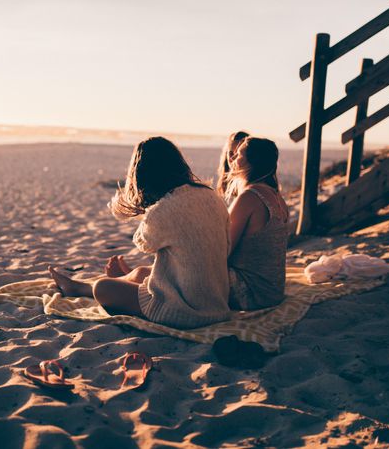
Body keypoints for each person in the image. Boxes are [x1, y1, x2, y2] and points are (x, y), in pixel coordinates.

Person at [49, 136, 232, 329]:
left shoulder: (164, 209)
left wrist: (151, 209)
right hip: (216, 304)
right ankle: (79, 287)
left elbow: (143, 242)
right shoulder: (212, 196)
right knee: (141, 273)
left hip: (186, 312)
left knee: (104, 288)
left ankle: (83, 287)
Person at [224, 136, 289, 310]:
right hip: (273, 291)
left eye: (239, 155)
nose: (232, 159)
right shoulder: (277, 197)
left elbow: (224, 250)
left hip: (250, 293)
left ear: (252, 163)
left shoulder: (249, 197)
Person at [216, 130, 250, 200]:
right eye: (231, 153)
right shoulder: (224, 183)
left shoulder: (252, 187)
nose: (233, 158)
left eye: (239, 154)